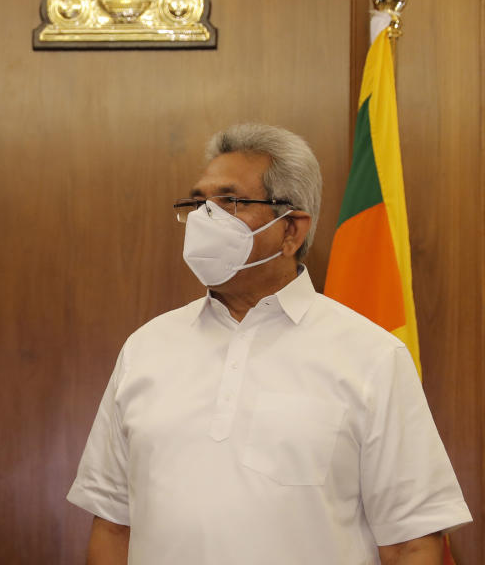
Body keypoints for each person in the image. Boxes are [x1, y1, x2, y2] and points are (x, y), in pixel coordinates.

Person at [67, 124, 470, 564]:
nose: (206, 218)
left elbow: (412, 543)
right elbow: (112, 526)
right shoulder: (145, 350)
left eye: (230, 202)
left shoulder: (372, 356)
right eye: (198, 203)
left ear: (292, 230)